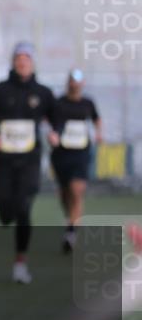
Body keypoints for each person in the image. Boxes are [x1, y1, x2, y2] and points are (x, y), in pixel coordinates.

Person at [0, 41, 57, 285]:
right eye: (19, 58)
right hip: (4, 160)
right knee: (5, 213)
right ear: (13, 62)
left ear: (32, 63)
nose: (22, 62)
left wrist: (55, 131)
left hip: (30, 159)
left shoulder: (43, 93)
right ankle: (6, 214)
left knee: (23, 208)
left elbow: (56, 117)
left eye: (27, 59)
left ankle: (20, 262)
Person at [50, 68, 102, 253]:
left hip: (81, 153)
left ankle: (72, 232)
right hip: (61, 154)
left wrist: (98, 133)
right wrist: (53, 134)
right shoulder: (59, 103)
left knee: (77, 190)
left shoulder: (88, 103)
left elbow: (97, 119)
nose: (75, 84)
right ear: (68, 83)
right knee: (65, 193)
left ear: (83, 83)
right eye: (72, 80)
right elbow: (50, 122)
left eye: (78, 81)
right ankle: (70, 219)